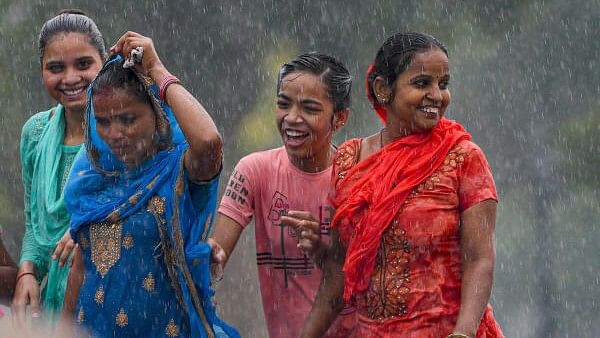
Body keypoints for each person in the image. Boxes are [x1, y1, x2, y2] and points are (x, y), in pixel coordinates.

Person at [300, 32, 504, 338]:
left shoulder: (462, 158)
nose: (437, 95)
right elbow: (339, 271)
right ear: (383, 89)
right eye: (422, 83)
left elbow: (479, 259)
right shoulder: (348, 160)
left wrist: (463, 333)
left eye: (443, 84)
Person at [59, 32, 239, 338]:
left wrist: (156, 69)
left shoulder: (177, 172)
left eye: (128, 119)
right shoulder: (92, 177)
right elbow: (82, 264)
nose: (114, 133)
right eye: (103, 122)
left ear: (157, 116)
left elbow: (209, 143)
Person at [208, 52, 356, 338]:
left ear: (339, 119)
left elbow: (366, 277)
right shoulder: (254, 171)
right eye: (283, 104)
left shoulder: (358, 177)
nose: (292, 118)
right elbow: (217, 253)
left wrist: (324, 253)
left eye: (310, 109)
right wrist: (203, 259)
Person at [12, 9, 106, 326]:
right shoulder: (35, 134)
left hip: (109, 296)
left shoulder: (123, 129)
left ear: (104, 63)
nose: (69, 78)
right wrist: (26, 271)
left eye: (83, 64)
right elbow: (35, 226)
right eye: (55, 68)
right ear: (41, 71)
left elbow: (141, 199)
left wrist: (87, 224)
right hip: (52, 305)